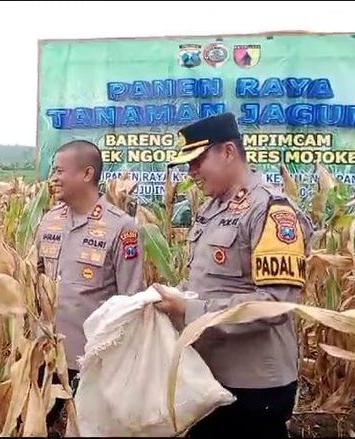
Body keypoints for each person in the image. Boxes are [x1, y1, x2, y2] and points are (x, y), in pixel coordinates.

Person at [154, 113, 312, 439]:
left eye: (197, 161)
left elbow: (274, 305)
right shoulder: (212, 209)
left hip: (252, 388)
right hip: (209, 377)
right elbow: (206, 282)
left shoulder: (270, 210)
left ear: (228, 152)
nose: (191, 171)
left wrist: (189, 310)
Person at [35, 140, 145, 427]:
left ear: (87, 174)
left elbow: (131, 301)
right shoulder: (49, 221)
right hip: (46, 355)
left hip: (92, 362)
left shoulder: (121, 227)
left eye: (59, 171)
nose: (53, 178)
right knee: (34, 426)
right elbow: (34, 282)